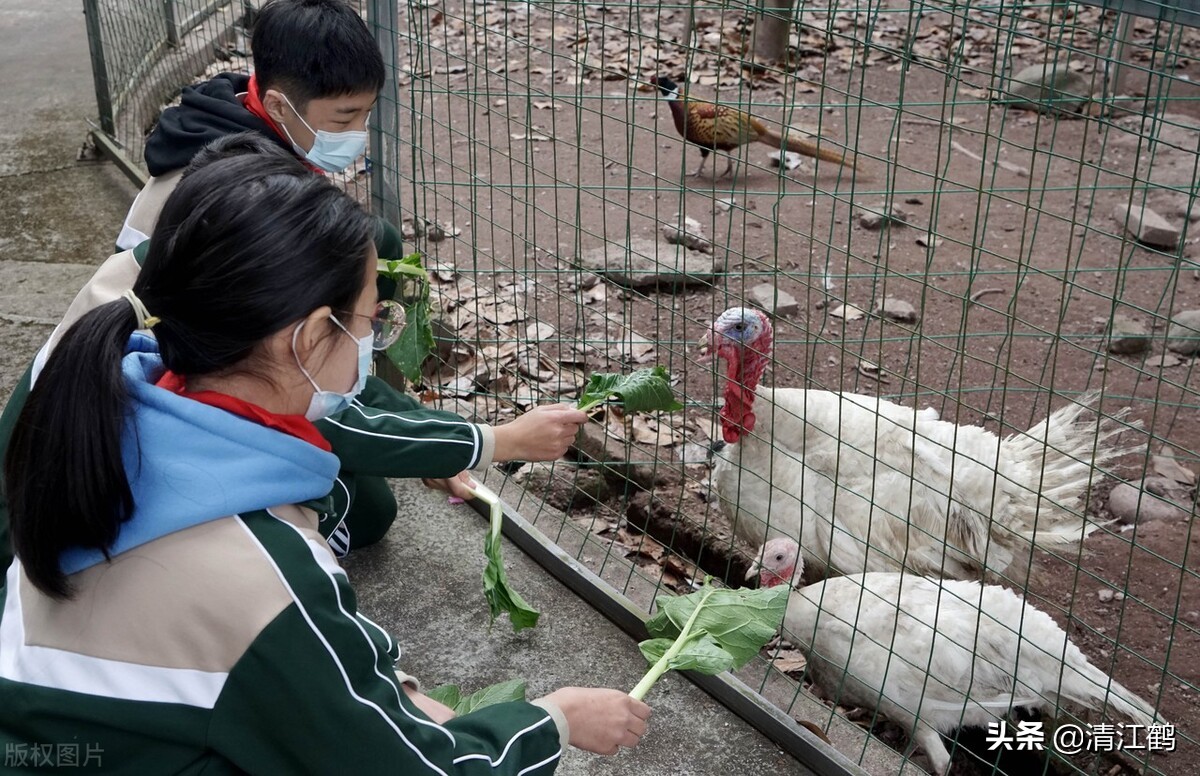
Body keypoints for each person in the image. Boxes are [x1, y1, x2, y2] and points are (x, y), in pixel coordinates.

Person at [0, 152, 650, 773]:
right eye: (370, 320)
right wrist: (556, 719)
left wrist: (383, 681)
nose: (373, 339)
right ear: (311, 339)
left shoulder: (102, 414)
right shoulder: (262, 573)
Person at [0, 0, 593, 570]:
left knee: (372, 250)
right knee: (360, 508)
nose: (359, 135)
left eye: (366, 115)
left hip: (139, 383)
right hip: (61, 511)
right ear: (282, 106)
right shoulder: (247, 224)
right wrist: (487, 442)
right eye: (346, 120)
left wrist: (428, 436)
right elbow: (297, 384)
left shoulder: (235, 154)